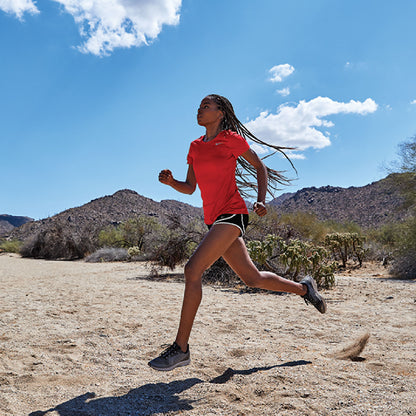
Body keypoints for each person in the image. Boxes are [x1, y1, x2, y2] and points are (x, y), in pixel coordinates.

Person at [148, 94, 326, 371]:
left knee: (192, 271)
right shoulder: (195, 147)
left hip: (232, 214)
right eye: (199, 106)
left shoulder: (231, 139)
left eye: (206, 106)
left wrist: (261, 199)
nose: (200, 109)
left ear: (220, 113)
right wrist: (172, 183)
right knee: (252, 278)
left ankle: (180, 348)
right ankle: (304, 289)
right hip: (213, 220)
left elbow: (259, 166)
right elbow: (190, 187)